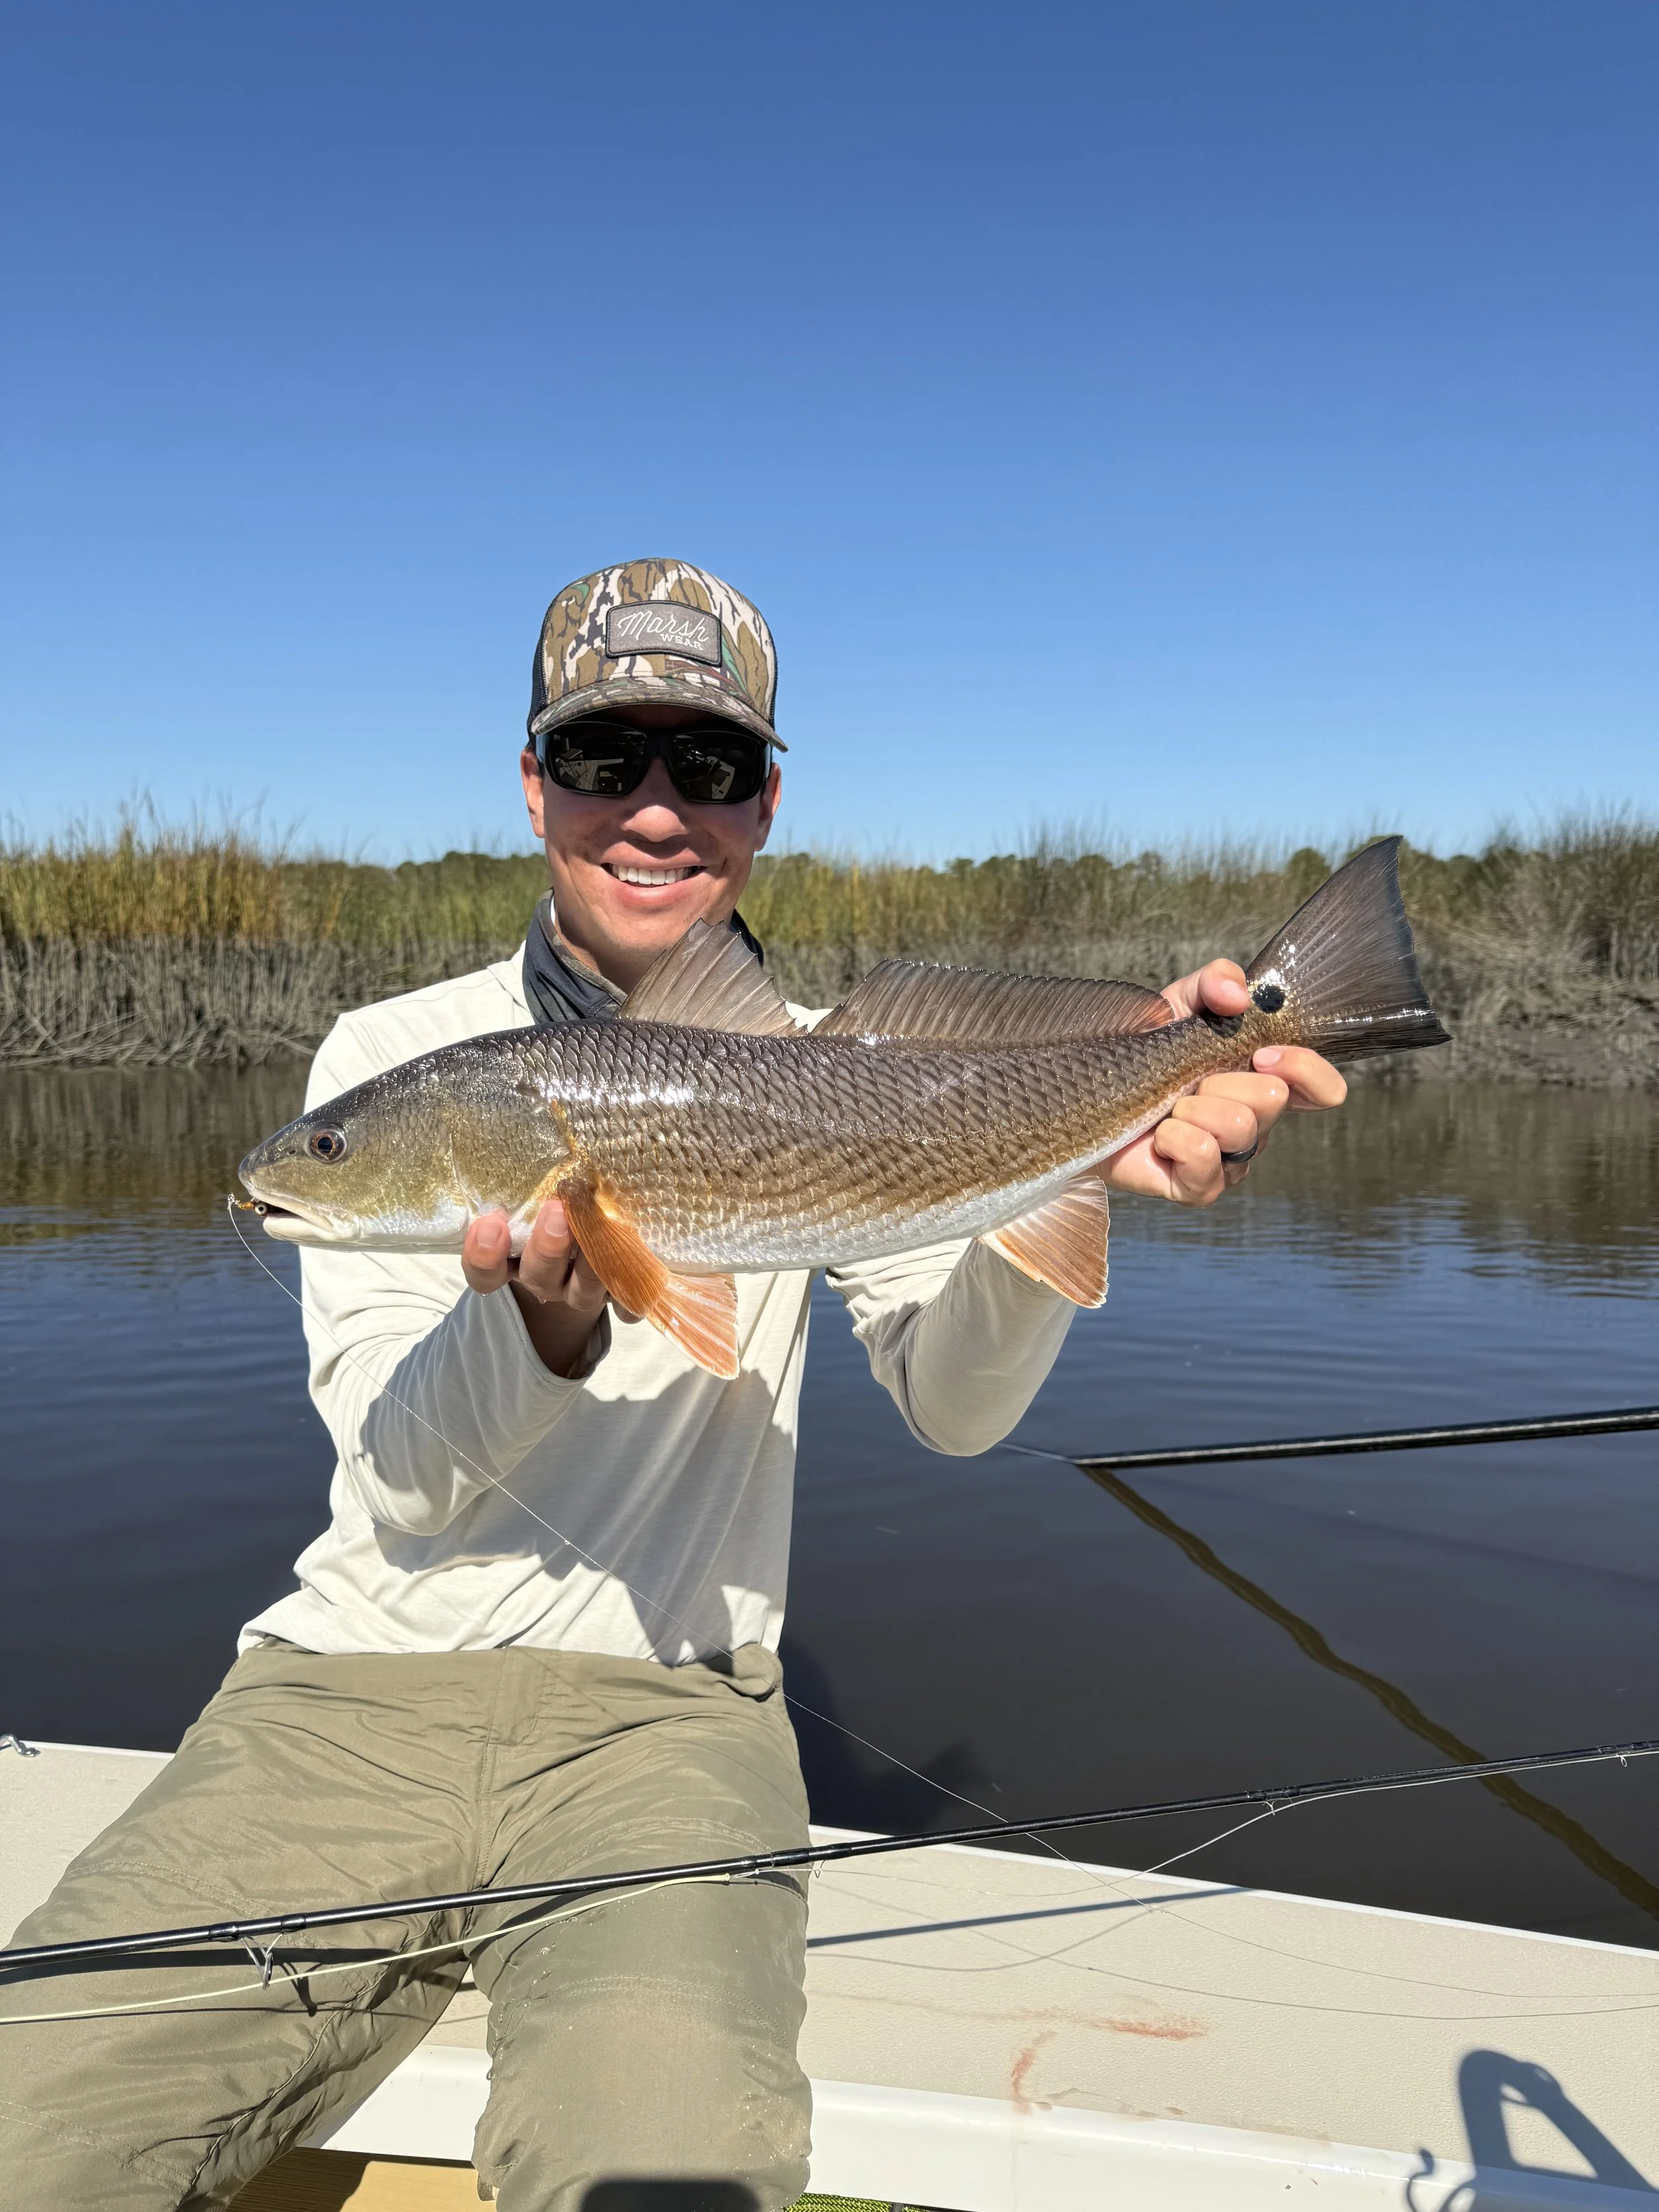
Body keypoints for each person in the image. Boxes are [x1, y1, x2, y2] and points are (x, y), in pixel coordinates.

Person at [0, 560, 1346, 2211]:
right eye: (602, 759)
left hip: (672, 1714)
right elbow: (403, 1481)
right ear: (532, 783)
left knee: (669, 2176)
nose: (652, 811)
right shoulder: (387, 1054)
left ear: (764, 802)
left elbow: (957, 1405)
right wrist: (541, 1330)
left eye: (704, 769)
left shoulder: (832, 1056)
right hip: (344, 1696)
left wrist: (1045, 1191)